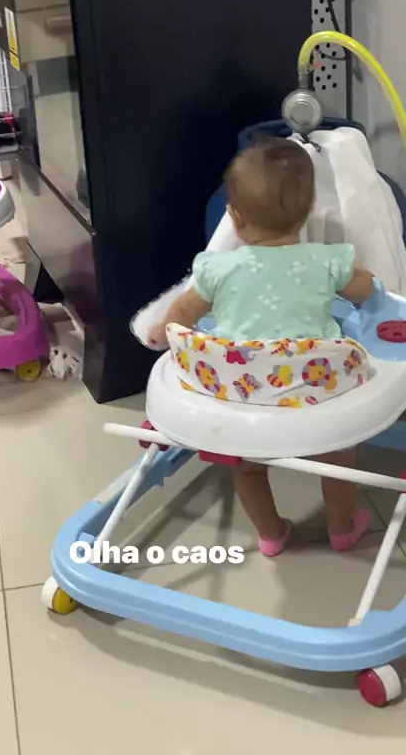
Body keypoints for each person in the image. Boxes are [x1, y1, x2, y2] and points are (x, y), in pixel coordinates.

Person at [149, 137, 373, 557]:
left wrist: (164, 331)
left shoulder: (218, 268)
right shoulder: (325, 261)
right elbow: (366, 289)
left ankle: (271, 533)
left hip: (242, 393)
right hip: (315, 392)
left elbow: (183, 312)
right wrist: (362, 281)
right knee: (339, 458)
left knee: (247, 468)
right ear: (308, 212)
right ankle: (342, 529)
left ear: (235, 218)